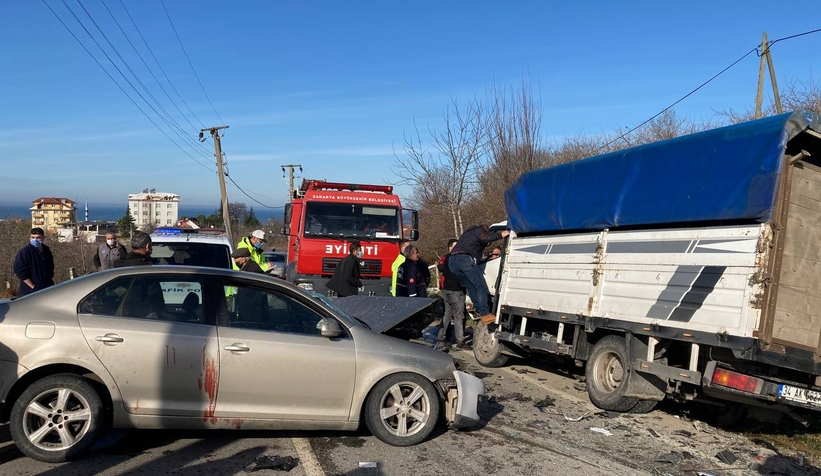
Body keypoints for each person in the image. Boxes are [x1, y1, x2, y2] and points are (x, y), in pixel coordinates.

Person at [448, 224, 510, 325]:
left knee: (471, 286)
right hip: (465, 259)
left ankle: (480, 310)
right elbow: (484, 238)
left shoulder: (466, 234)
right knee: (480, 286)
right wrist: (501, 234)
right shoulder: (480, 231)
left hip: (452, 261)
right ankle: (485, 313)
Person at [438, 239, 469, 350]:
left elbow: (441, 268)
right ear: (450, 247)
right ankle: (460, 340)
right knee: (458, 316)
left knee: (447, 314)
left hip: (447, 289)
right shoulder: (457, 258)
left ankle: (441, 338)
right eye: (456, 246)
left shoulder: (446, 258)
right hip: (455, 290)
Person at [13, 227, 55, 297]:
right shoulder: (25, 252)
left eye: (38, 237)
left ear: (43, 238)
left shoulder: (46, 250)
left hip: (47, 288)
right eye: (32, 237)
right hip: (30, 291)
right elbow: (20, 271)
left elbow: (50, 267)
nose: (35, 240)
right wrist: (32, 286)